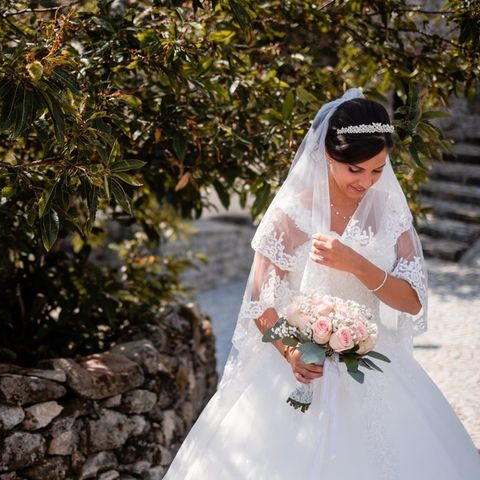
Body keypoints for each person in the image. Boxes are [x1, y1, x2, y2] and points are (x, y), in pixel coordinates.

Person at [161, 88, 480, 479]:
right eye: (356, 170)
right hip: (297, 368)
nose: (367, 181)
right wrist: (292, 352)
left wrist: (358, 264)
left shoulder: (389, 212)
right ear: (330, 155)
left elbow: (413, 301)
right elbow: (261, 306)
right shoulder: (289, 216)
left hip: (377, 367)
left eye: (378, 169)